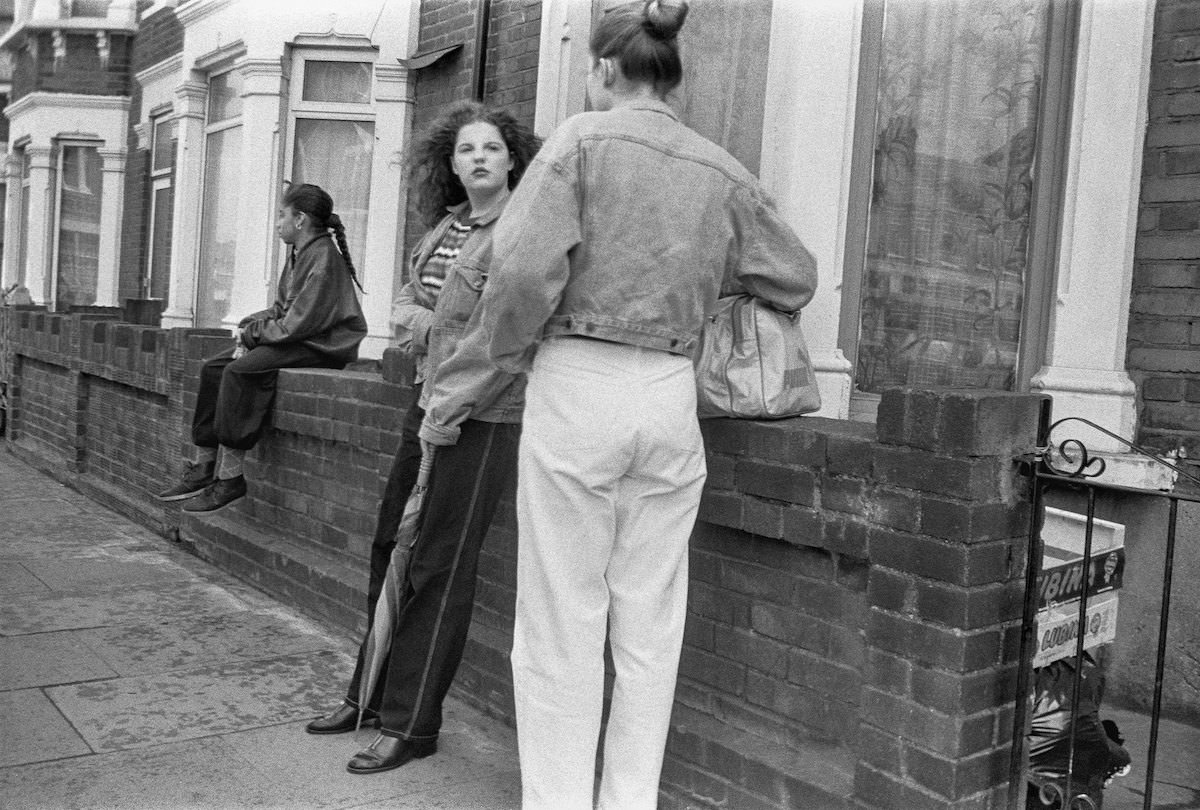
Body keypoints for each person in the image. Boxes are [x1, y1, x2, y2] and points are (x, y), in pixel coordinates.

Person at [472, 2, 817, 806]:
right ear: (671, 76)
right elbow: (793, 275)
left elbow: (521, 275)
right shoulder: (721, 169)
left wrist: (507, 354)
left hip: (576, 381)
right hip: (669, 396)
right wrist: (703, 277)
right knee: (650, 629)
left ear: (603, 70)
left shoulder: (579, 143)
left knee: (561, 621)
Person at [302, 102, 540, 776]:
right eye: (467, 150)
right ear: (451, 163)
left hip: (485, 416)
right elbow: (404, 306)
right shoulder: (445, 228)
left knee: (440, 561)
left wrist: (436, 337)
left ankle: (413, 723)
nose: (480, 158)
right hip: (427, 396)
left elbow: (503, 337)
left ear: (514, 157)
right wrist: (433, 329)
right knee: (390, 543)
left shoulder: (521, 230)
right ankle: (369, 694)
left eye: (492, 147)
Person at [157, 183, 366, 512]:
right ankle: (204, 466)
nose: (277, 222)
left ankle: (231, 478)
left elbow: (297, 325)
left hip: (323, 345)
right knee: (212, 368)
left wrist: (253, 336)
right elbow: (283, 309)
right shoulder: (300, 252)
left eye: (282, 215)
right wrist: (247, 325)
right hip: (300, 336)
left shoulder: (323, 258)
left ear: (299, 219)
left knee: (240, 371)